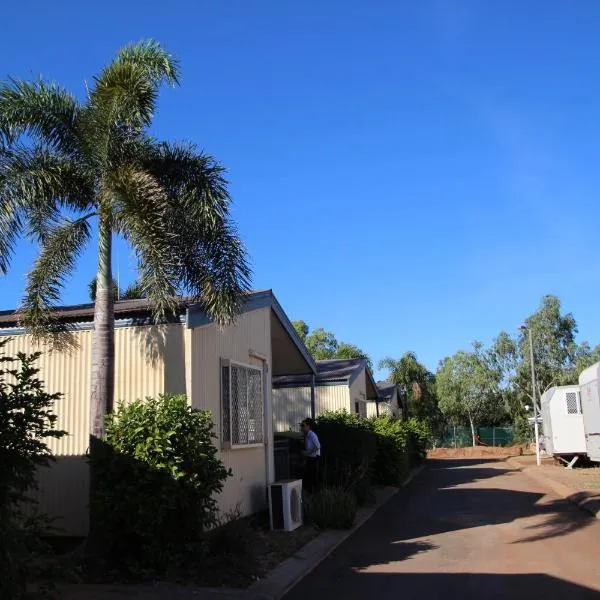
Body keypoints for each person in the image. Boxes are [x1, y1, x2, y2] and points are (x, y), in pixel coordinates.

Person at [300, 418, 320, 493]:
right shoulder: (307, 435)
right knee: (308, 477)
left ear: (308, 426)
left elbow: (317, 446)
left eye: (303, 426)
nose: (302, 428)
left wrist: (307, 453)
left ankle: (315, 495)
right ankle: (310, 494)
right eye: (301, 426)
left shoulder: (312, 435)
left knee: (313, 478)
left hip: (314, 459)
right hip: (310, 458)